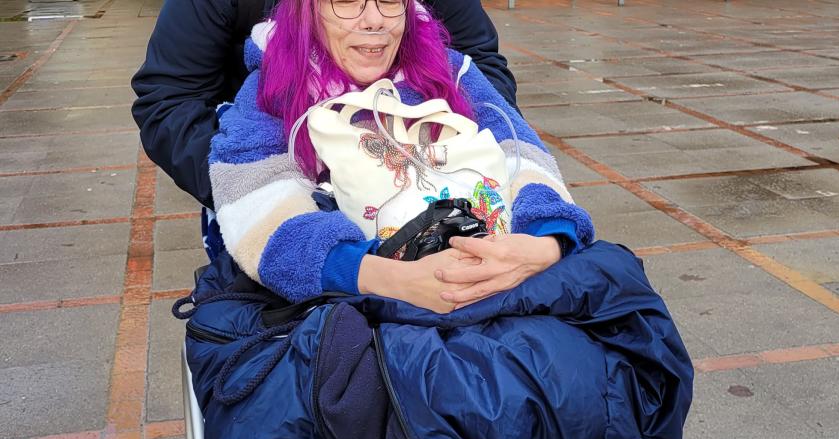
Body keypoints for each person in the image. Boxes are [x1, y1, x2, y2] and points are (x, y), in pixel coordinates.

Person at [208, 0, 595, 314]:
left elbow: (525, 154)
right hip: (364, 312)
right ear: (308, 9)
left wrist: (544, 243)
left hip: (508, 282)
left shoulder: (452, 72)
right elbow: (254, 203)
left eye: (390, 1)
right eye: (347, 1)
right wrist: (385, 277)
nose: (374, 19)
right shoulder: (273, 89)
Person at [131, 0, 518, 214]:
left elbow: (480, 65)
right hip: (275, 170)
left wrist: (459, 160)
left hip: (426, 181)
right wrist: (260, 186)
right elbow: (169, 101)